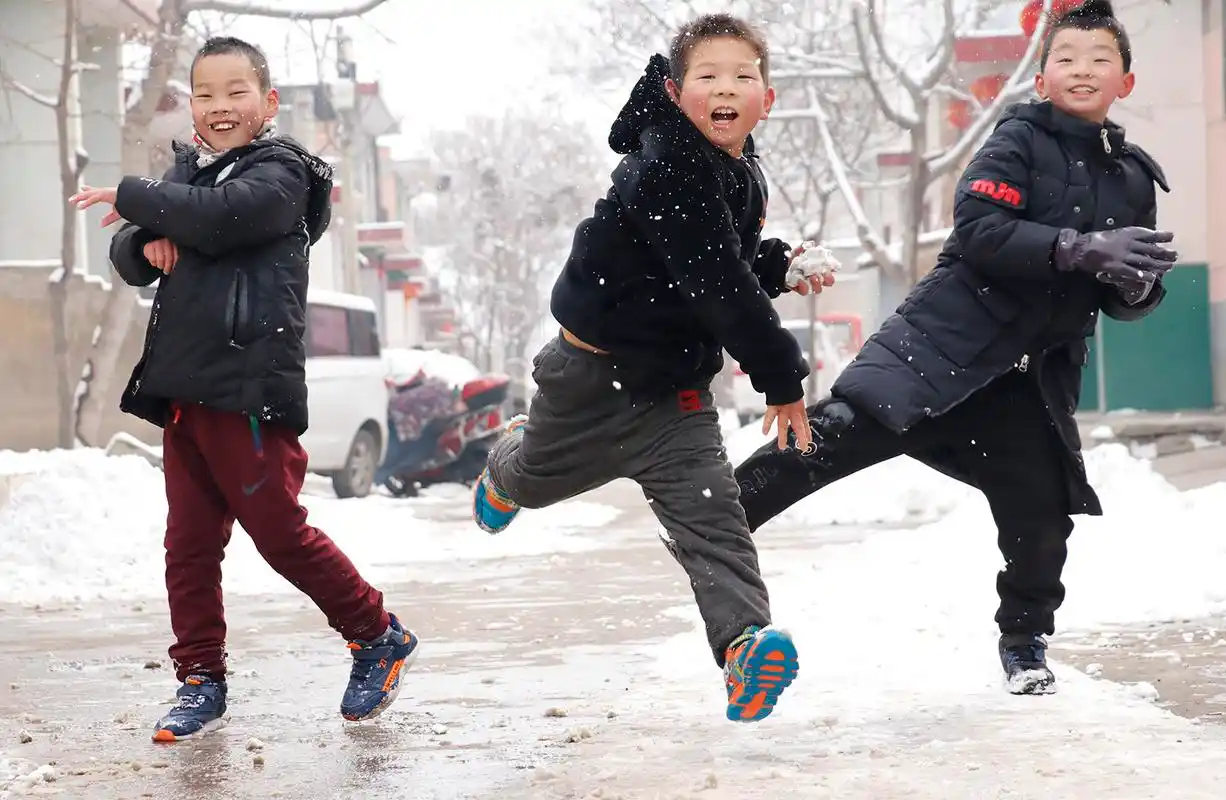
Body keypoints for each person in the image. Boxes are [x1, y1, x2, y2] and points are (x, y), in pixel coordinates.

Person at [732, 0, 1177, 695]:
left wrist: (1133, 288)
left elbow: (1126, 294)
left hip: (1026, 382)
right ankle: (716, 518)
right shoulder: (1017, 141)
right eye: (1065, 58)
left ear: (1125, 80)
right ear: (1040, 77)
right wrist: (1078, 246)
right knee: (830, 439)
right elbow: (978, 230)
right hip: (940, 345)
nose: (1081, 70)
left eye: (1099, 59)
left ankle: (1024, 646)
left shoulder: (1132, 179)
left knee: (1042, 520)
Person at [471, 14, 836, 722]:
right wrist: (782, 378)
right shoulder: (665, 164)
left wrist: (782, 264)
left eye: (742, 77)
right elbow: (714, 281)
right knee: (534, 481)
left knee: (714, 519)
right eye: (706, 77)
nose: (724, 89)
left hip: (676, 397)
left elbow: (721, 262)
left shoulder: (733, 167)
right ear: (673, 92)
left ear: (769, 96)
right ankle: (507, 465)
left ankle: (743, 648)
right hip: (588, 379)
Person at [69, 37, 417, 741]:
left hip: (248, 388)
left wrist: (150, 204)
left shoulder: (283, 173)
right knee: (188, 545)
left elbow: (229, 217)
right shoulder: (190, 177)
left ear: (268, 102)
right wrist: (142, 240)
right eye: (205, 94)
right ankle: (200, 679)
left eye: (236, 92)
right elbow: (130, 253)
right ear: (191, 104)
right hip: (183, 388)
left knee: (278, 532)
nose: (220, 107)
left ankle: (375, 633)